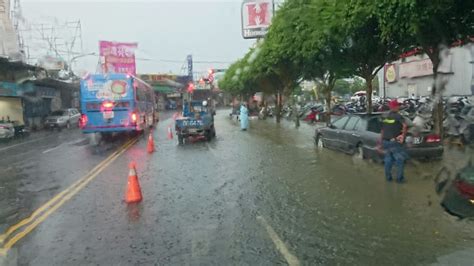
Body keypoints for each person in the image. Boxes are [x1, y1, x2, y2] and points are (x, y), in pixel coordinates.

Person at [380, 99, 408, 183]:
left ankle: (388, 178)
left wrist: (381, 141)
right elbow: (405, 126)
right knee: (400, 160)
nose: (399, 107)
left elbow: (382, 130)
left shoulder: (384, 116)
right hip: (394, 142)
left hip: (385, 141)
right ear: (395, 107)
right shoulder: (398, 116)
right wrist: (402, 136)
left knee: (388, 160)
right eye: (398, 106)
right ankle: (399, 179)